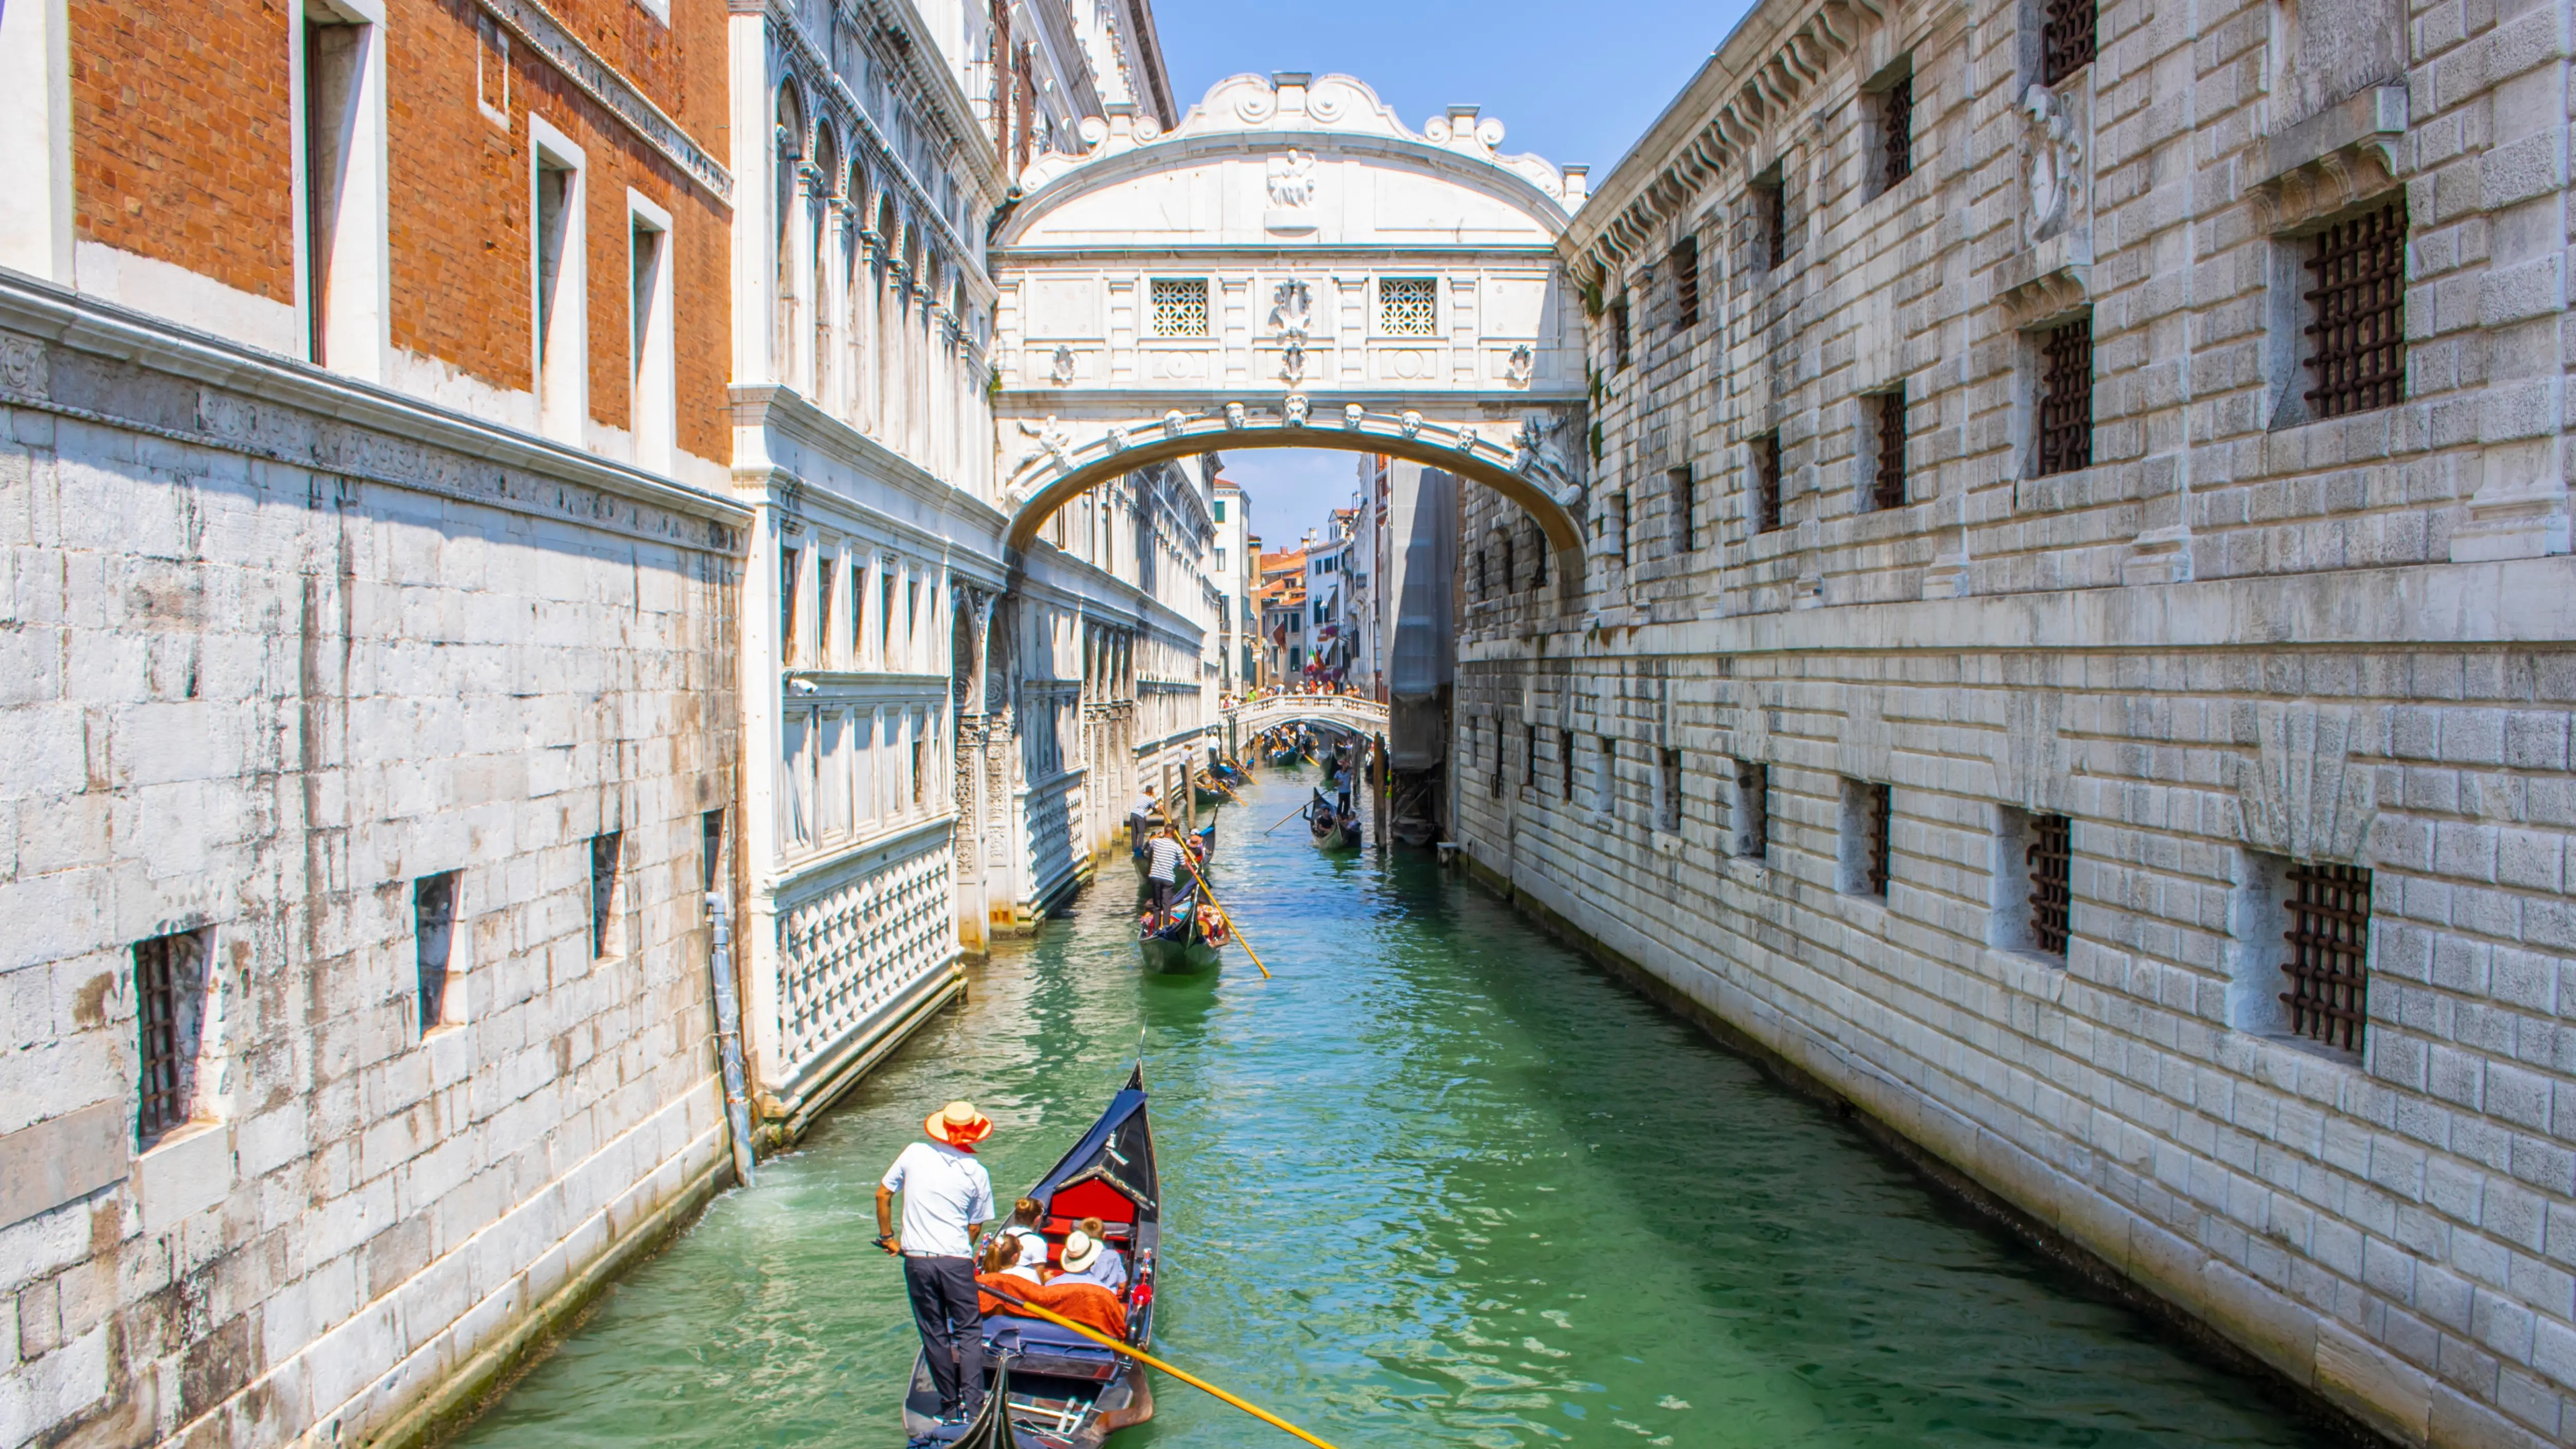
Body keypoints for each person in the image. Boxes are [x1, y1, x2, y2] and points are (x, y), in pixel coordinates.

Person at [876, 1101, 995, 1424]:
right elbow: (974, 1226)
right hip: (956, 1262)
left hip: (916, 1261)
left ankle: (949, 1408)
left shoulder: (914, 1152)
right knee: (969, 1333)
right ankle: (974, 1407)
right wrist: (954, 1252)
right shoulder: (977, 1172)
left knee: (934, 1333)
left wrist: (889, 1238)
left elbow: (883, 1195)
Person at [1060, 1216, 1129, 1294]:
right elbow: (1122, 1284)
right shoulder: (1114, 1256)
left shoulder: (1076, 1255)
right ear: (1104, 1235)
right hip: (1107, 1298)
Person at [1143, 824, 1188, 918]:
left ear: (1165, 832)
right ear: (1174, 833)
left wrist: (1160, 835)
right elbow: (1183, 864)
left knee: (1157, 905)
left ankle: (1156, 928)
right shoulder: (1177, 847)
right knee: (1167, 906)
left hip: (1155, 877)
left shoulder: (1157, 842)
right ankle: (1166, 927)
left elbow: (1149, 840)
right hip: (1168, 879)